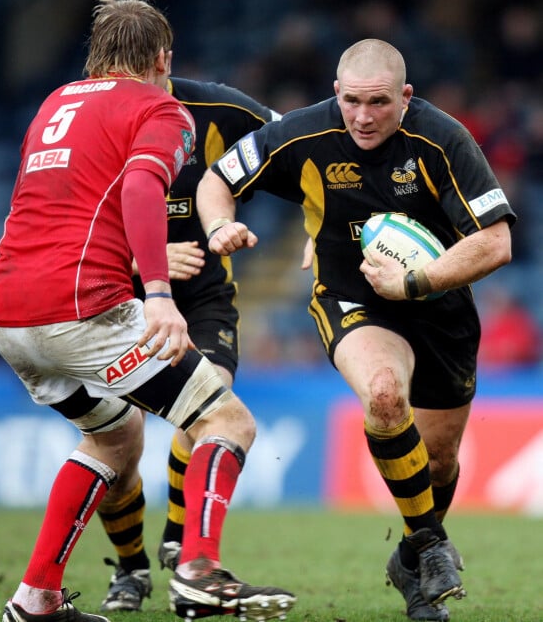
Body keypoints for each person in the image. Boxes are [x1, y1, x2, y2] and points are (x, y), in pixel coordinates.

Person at [0, 0, 295, 622]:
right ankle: (200, 571)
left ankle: (36, 598)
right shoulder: (162, 107)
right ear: (163, 57)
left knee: (115, 435)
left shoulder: (54, 105)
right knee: (227, 422)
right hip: (84, 311)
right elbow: (140, 185)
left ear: (95, 55)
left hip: (7, 311)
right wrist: (156, 291)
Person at [195, 38, 515, 621]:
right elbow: (216, 178)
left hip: (439, 305)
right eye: (352, 102)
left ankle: (410, 564)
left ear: (406, 97)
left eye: (379, 102)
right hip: (350, 298)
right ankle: (428, 546)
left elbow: (496, 241)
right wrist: (219, 226)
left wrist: (416, 282)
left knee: (439, 461)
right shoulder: (302, 133)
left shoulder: (443, 139)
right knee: (385, 396)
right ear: (335, 94)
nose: (364, 117)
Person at [97, 78, 280, 612]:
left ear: (163, 59)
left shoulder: (223, 110)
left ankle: (179, 537)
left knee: (212, 403)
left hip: (203, 298)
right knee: (119, 443)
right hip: (114, 299)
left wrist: (326, 216)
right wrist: (140, 262)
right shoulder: (93, 124)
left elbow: (305, 142)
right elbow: (66, 231)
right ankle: (130, 569)